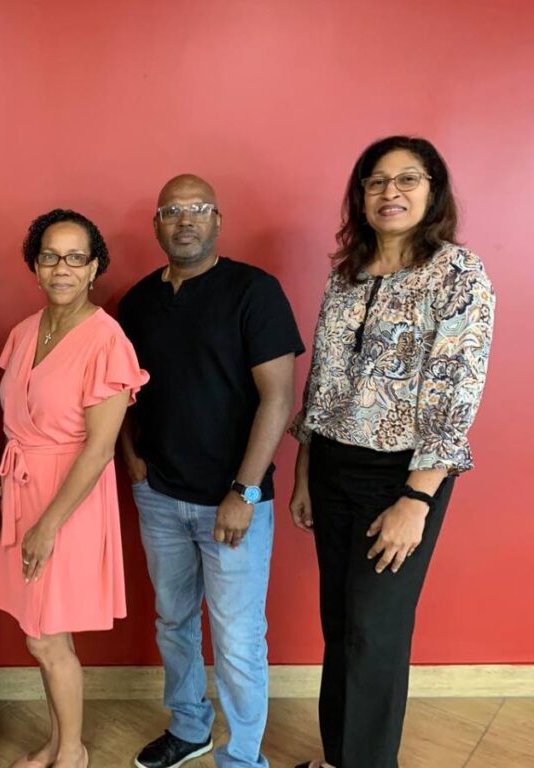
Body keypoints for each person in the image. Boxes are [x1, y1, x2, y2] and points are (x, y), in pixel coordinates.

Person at [289, 136, 495, 768]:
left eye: (407, 180)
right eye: (376, 182)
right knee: (340, 624)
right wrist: (303, 473)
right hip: (331, 465)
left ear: (433, 191)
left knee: (375, 631)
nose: (390, 193)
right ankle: (336, 758)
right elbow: (321, 383)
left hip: (403, 475)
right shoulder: (345, 275)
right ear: (361, 195)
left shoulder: (457, 274)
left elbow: (457, 392)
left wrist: (416, 499)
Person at [118, 175, 304, 768]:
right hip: (160, 497)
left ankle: (243, 757)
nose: (184, 220)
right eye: (171, 210)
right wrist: (133, 458)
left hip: (234, 501)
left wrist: (245, 490)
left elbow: (278, 398)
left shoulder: (255, 291)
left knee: (238, 639)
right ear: (157, 225)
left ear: (217, 220)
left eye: (197, 209)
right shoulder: (138, 302)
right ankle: (190, 726)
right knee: (173, 621)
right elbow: (119, 390)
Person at [0, 209, 148, 768]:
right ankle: (57, 743)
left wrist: (48, 525)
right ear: (35, 265)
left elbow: (100, 449)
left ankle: (73, 752)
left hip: (68, 499)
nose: (62, 268)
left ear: (94, 266)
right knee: (42, 633)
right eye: (50, 256)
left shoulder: (106, 339)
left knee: (48, 637)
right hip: (22, 486)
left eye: (75, 257)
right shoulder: (26, 331)